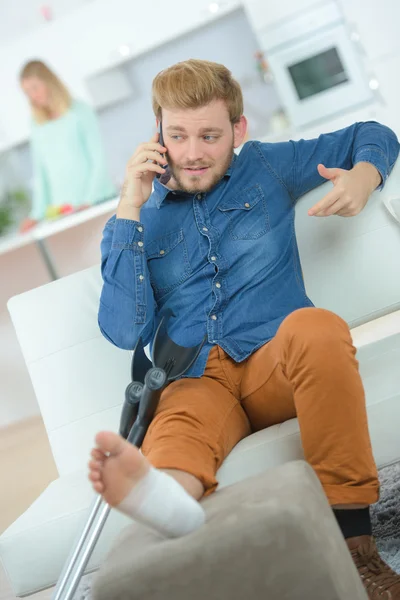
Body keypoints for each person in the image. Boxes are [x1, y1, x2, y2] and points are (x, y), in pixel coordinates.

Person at [88, 59, 400, 597]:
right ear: (158, 135)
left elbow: (373, 134)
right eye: (177, 135)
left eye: (209, 135)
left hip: (273, 362)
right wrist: (129, 208)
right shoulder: (135, 220)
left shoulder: (269, 166)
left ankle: (358, 552)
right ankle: (169, 503)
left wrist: (365, 175)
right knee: (177, 424)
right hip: (195, 379)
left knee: (318, 328)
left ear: (238, 129)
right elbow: (122, 331)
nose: (191, 152)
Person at [19, 60, 117, 232]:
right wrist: (36, 214)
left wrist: (89, 201)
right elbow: (41, 172)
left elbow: (98, 158)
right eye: (27, 92)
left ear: (48, 81)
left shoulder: (79, 111)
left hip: (96, 202)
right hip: (64, 211)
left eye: (35, 87)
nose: (32, 95)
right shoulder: (36, 124)